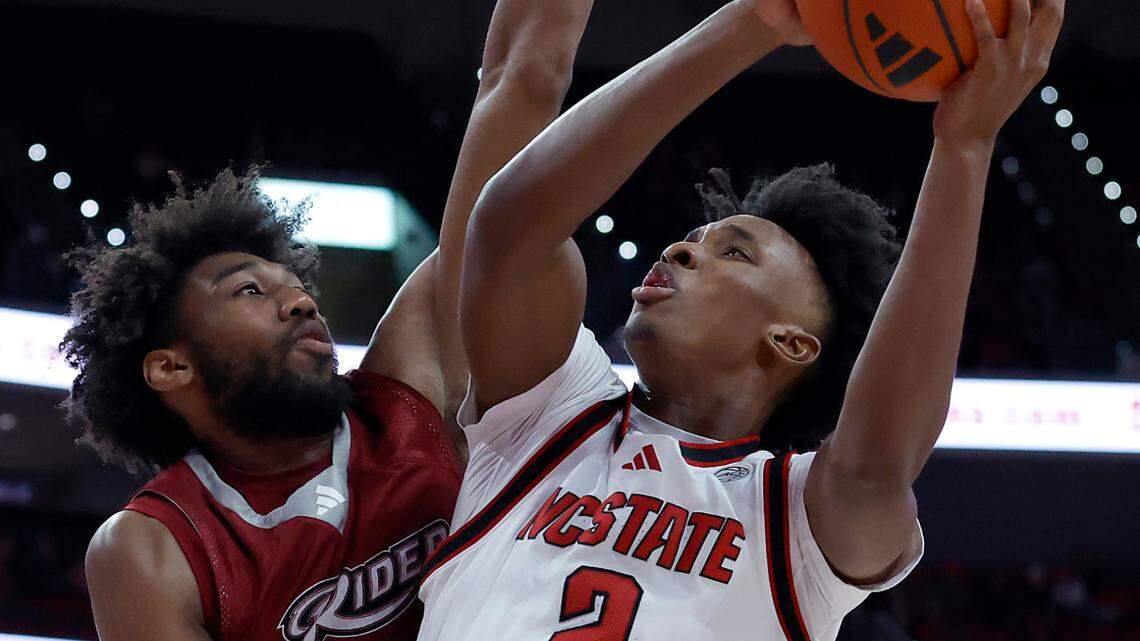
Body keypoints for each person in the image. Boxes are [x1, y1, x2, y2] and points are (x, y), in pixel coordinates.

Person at [417, 0, 1065, 639]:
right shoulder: (552, 417)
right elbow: (506, 230)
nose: (679, 249)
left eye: (732, 252)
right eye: (691, 238)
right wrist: (755, 20)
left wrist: (964, 149)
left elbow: (876, 465)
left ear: (790, 342)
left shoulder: (795, 523)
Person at [71, 0, 596, 639]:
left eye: (297, 288)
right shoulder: (153, 546)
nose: (302, 303)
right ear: (170, 365)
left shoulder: (406, 399)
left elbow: (519, 82)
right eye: (249, 293)